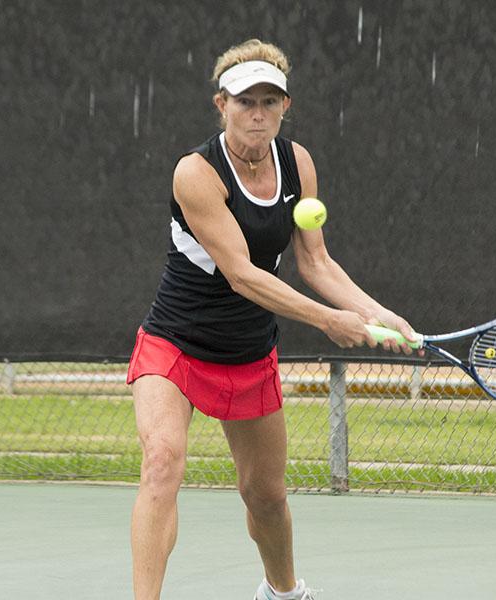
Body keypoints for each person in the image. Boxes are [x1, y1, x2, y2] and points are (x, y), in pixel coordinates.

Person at [126, 39, 418, 600]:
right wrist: (331, 321)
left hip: (247, 351)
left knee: (265, 495)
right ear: (221, 105)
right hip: (176, 344)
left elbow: (316, 261)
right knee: (161, 462)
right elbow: (241, 274)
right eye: (245, 102)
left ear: (286, 106)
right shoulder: (195, 172)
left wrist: (378, 313)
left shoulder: (297, 162)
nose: (257, 113)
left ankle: (284, 592)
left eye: (269, 101)